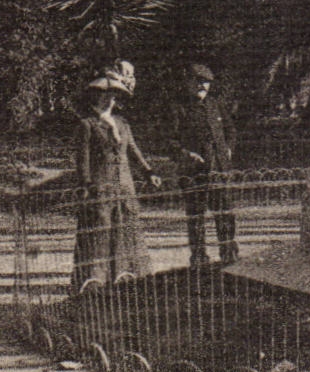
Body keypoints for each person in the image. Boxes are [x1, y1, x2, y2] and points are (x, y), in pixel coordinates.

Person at [72, 61, 160, 290]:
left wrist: (148, 172)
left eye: (112, 96)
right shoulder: (87, 125)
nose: (108, 100)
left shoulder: (122, 124)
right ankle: (95, 283)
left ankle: (128, 278)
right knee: (100, 235)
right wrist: (85, 185)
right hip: (100, 188)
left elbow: (133, 151)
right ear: (95, 97)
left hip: (125, 187)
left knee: (126, 232)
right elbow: (83, 160)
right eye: (104, 95)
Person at [170, 63, 239, 266]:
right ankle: (199, 257)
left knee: (225, 213)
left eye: (206, 82)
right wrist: (186, 155)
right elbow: (169, 141)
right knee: (196, 217)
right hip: (194, 172)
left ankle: (229, 253)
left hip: (219, 170)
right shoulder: (179, 107)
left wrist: (228, 149)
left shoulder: (215, 104)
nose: (202, 86)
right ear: (188, 82)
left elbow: (230, 130)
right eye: (198, 81)